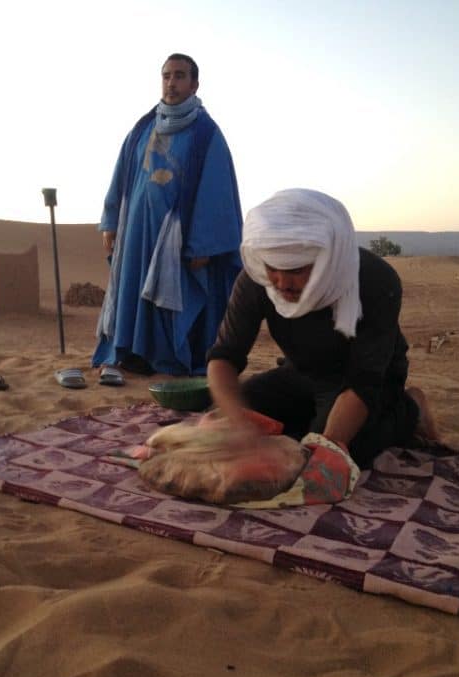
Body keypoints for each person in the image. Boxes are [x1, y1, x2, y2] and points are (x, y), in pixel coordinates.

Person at [206, 188, 439, 469]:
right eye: (273, 268)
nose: (281, 282)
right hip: (299, 373)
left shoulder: (375, 280)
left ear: (328, 259)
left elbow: (363, 382)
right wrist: (238, 426)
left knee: (340, 454)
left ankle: (410, 409)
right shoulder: (256, 280)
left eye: (296, 269)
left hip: (363, 382)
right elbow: (224, 357)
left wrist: (325, 450)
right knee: (223, 421)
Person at [92, 53, 242, 379]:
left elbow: (217, 191)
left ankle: (169, 360)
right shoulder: (142, 128)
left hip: (178, 235)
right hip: (136, 231)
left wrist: (203, 243)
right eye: (166, 76)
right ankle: (132, 356)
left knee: (172, 296)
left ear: (194, 84)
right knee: (133, 291)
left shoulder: (206, 134)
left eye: (179, 76)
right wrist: (111, 220)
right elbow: (121, 176)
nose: (171, 83)